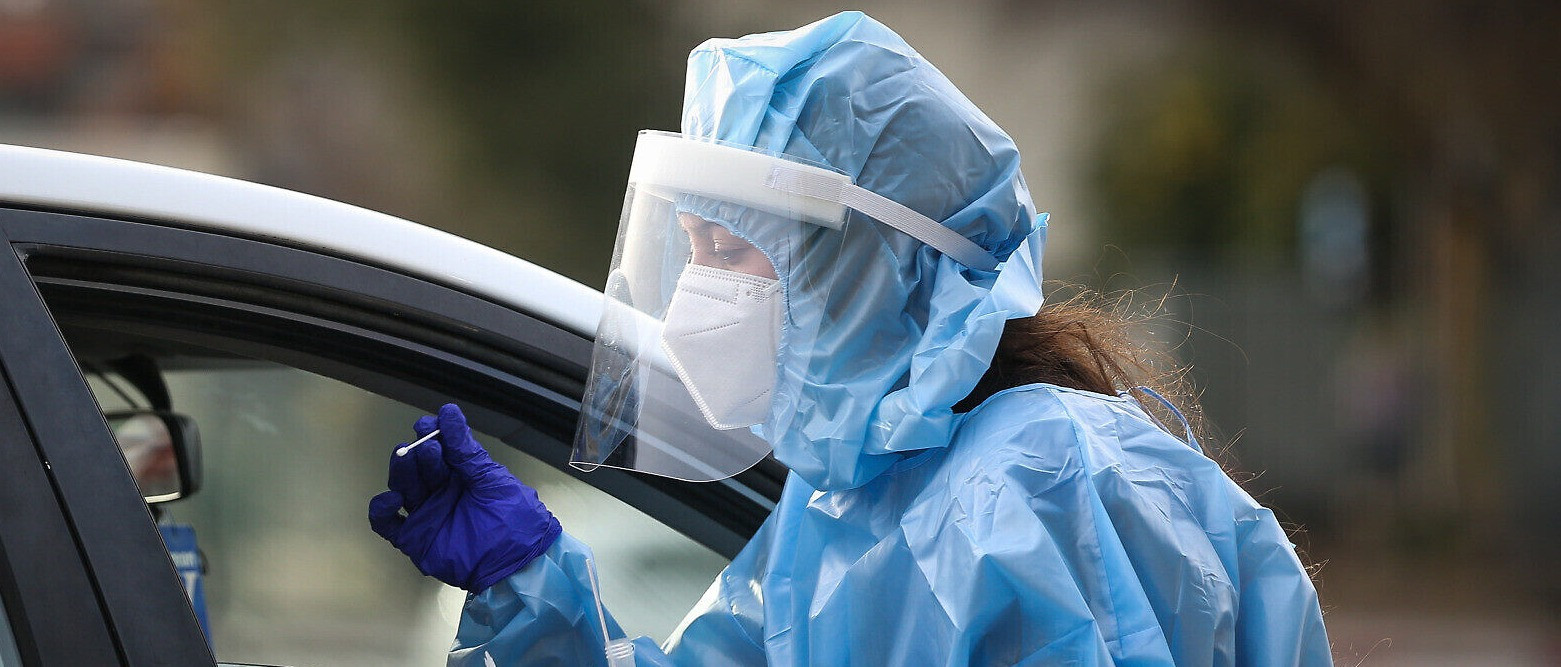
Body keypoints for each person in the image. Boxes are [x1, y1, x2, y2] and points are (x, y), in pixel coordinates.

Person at [369, 11, 1333, 666]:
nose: (699, 287)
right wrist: (530, 586)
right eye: (691, 247)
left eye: (732, 250)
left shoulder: (1038, 483)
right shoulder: (839, 512)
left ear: (868, 266)